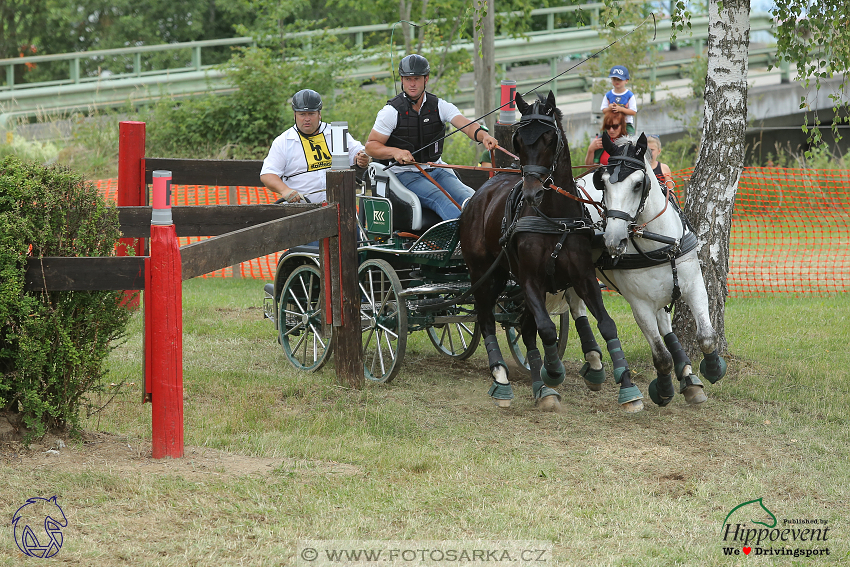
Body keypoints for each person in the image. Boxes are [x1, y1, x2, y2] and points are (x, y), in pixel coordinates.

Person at [365, 54, 499, 220]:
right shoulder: (390, 112)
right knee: (442, 200)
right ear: (401, 79)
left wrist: (483, 136)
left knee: (470, 199)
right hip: (404, 174)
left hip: (437, 169)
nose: (412, 84)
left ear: (426, 79)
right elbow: (370, 146)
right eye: (407, 79)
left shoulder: (439, 106)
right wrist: (394, 152)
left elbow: (467, 125)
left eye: (416, 78)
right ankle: (460, 244)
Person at [260, 89, 370, 204]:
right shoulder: (284, 141)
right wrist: (285, 190)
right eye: (302, 114)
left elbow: (359, 151)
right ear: (294, 115)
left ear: (319, 114)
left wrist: (362, 158)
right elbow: (268, 174)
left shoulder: (335, 133)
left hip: (339, 204)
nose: (307, 119)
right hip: (301, 209)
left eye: (311, 114)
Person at [601, 65, 637, 135]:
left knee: (631, 137)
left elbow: (633, 112)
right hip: (611, 124)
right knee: (601, 137)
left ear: (626, 81)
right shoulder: (608, 95)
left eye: (619, 79)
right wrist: (609, 108)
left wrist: (621, 109)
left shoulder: (629, 95)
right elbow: (603, 110)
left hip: (626, 123)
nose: (617, 81)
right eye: (614, 79)